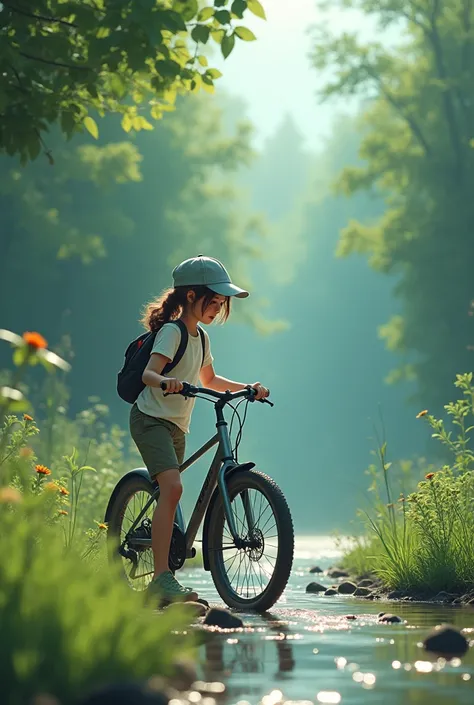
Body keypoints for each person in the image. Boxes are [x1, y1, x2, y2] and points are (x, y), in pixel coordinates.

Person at [130, 255, 270, 603]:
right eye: (215, 298)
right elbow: (149, 374)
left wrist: (246, 388)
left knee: (170, 491)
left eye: (223, 301)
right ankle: (161, 579)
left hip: (177, 425)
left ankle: (166, 565)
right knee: (173, 488)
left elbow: (209, 380)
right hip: (150, 420)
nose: (220, 306)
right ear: (191, 296)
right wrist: (168, 382)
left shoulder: (202, 338)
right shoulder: (171, 332)